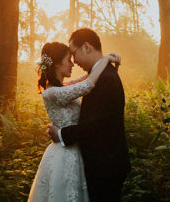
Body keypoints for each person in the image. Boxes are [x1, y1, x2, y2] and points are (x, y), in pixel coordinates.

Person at [27, 41, 121, 202]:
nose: (72, 64)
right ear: (56, 64)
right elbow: (88, 84)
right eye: (68, 60)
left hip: (74, 150)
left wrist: (106, 61)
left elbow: (85, 77)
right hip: (65, 155)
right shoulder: (52, 93)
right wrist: (105, 60)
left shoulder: (60, 87)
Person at [46, 28, 131, 201]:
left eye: (73, 54)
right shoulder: (99, 74)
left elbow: (97, 125)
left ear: (86, 47)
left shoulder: (105, 77)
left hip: (106, 167)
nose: (74, 61)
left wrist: (61, 134)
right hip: (100, 164)